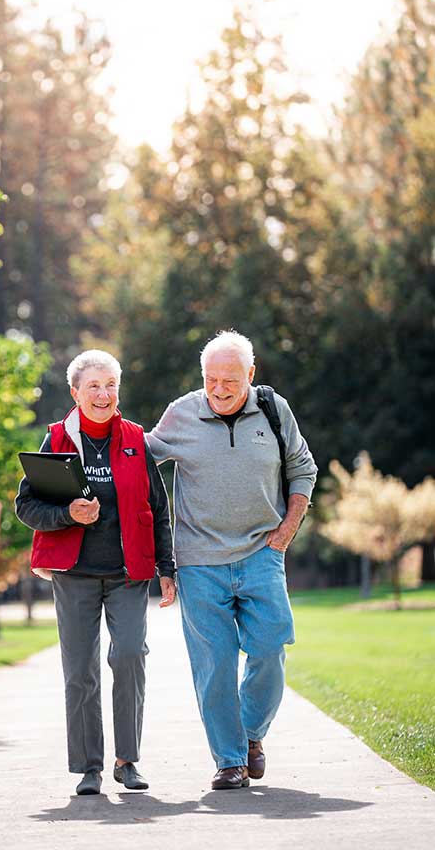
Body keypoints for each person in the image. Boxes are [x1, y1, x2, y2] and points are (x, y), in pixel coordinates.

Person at [146, 330, 317, 790]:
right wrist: (84, 439)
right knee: (215, 665)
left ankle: (250, 735)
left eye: (230, 380)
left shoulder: (274, 410)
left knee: (269, 651)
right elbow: (136, 456)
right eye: (211, 379)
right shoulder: (182, 413)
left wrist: (285, 532)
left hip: (263, 553)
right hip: (200, 563)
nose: (219, 389)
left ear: (251, 375)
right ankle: (229, 760)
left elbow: (303, 467)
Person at [15, 349, 176, 796]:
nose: (103, 394)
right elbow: (26, 505)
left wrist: (167, 567)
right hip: (74, 575)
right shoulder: (57, 440)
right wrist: (67, 513)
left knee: (129, 656)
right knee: (80, 670)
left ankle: (128, 760)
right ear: (75, 392)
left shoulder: (134, 439)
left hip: (127, 573)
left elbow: (157, 508)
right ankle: (89, 767)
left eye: (110, 385)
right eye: (93, 386)